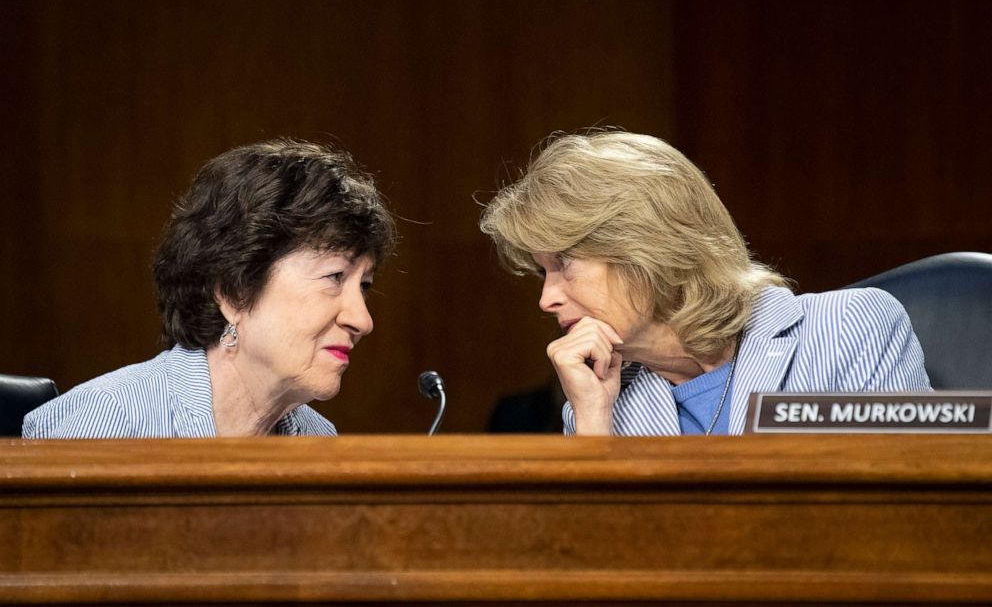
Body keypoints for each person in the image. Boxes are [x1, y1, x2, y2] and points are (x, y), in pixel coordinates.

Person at [480, 131, 932, 436]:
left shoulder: (849, 329)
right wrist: (593, 425)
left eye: (564, 264)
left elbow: (911, 518)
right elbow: (593, 566)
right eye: (543, 273)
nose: (546, 299)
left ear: (645, 249)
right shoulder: (597, 405)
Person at [24, 139, 394, 438]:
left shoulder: (318, 439)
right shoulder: (109, 422)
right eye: (334, 278)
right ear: (234, 292)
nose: (362, 320)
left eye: (364, 285)